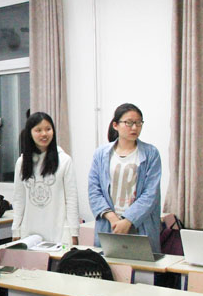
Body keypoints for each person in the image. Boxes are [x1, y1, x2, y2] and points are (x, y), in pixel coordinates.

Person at [88, 103, 161, 252]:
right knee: (106, 264)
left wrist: (128, 220)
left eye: (138, 123)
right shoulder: (101, 154)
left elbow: (150, 194)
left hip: (140, 224)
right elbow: (94, 191)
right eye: (129, 123)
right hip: (110, 224)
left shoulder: (151, 153)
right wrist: (113, 219)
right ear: (115, 125)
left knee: (142, 264)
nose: (134, 127)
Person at [12, 112, 79, 245]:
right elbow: (19, 199)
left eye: (48, 129)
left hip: (59, 231)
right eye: (38, 130)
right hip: (29, 232)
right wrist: (16, 230)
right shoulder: (22, 162)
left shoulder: (64, 160)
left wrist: (74, 232)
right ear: (30, 133)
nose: (44, 134)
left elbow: (71, 199)